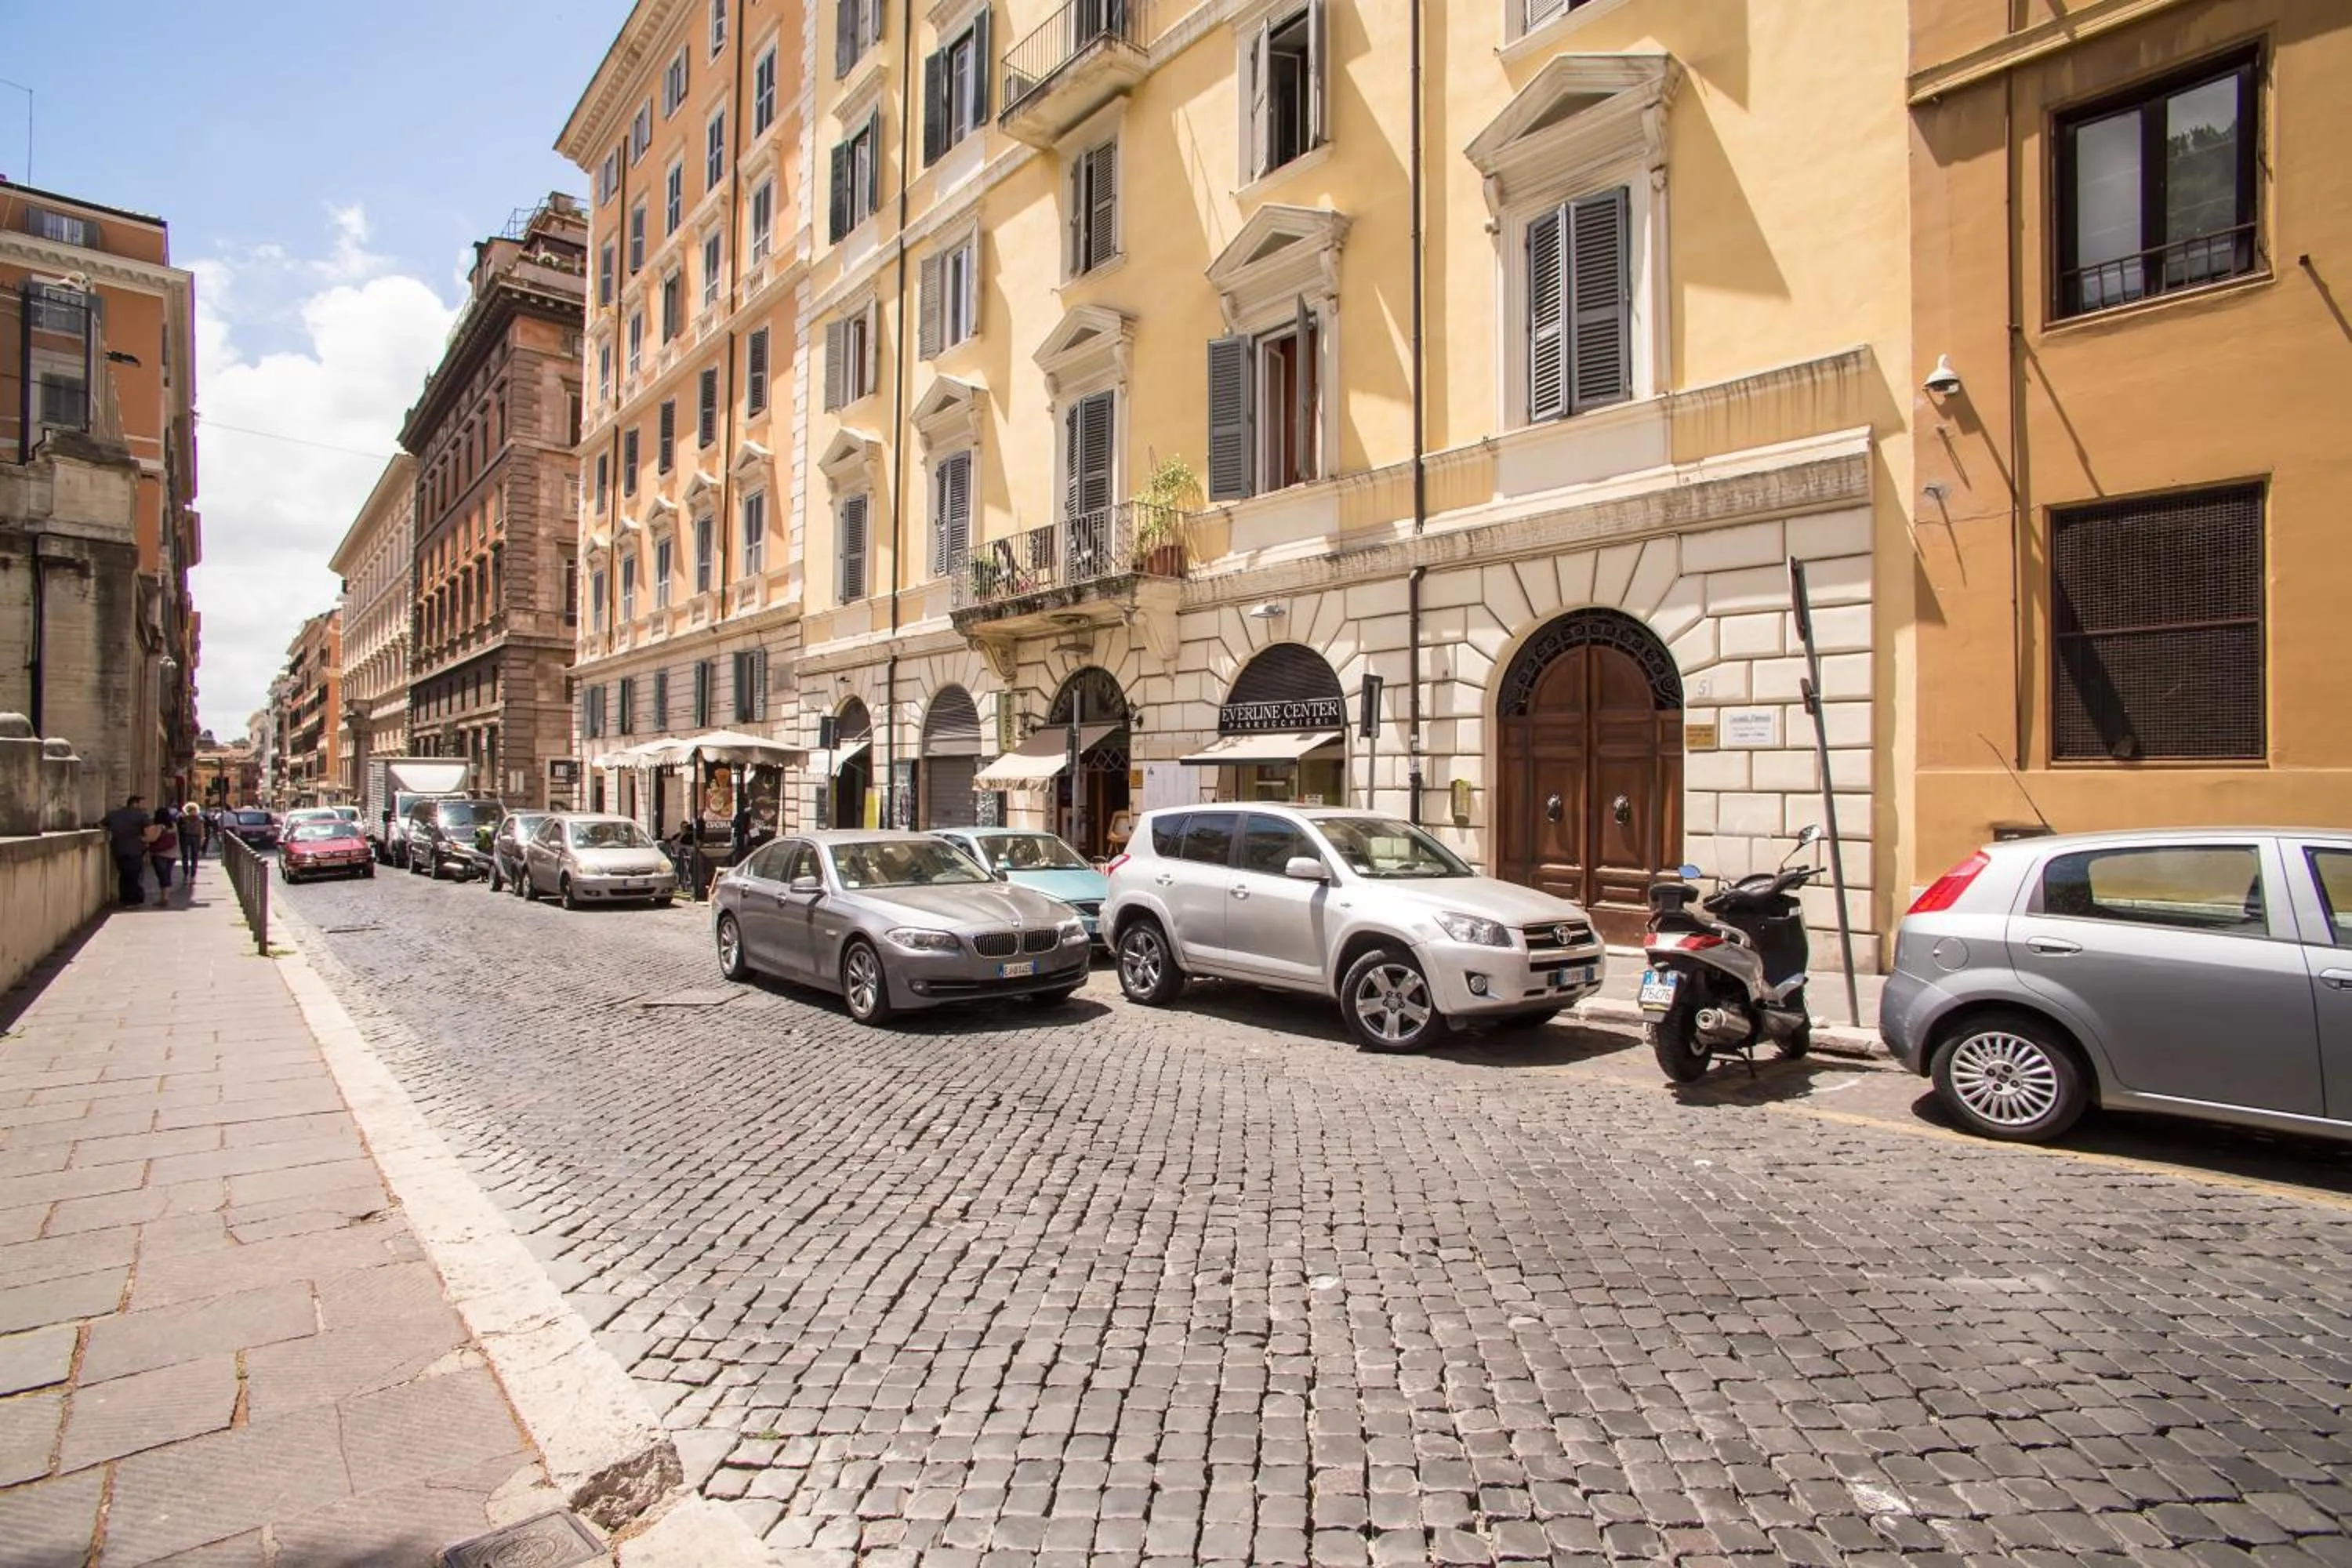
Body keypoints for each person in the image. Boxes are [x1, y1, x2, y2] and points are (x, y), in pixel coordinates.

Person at [103, 795, 151, 907]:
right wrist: (145, 841)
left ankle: (124, 898)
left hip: (118, 849)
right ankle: (132, 900)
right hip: (135, 849)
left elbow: (101, 824)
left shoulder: (114, 814)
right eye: (141, 804)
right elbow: (149, 831)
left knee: (123, 874)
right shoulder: (141, 816)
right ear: (135, 803)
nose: (144, 807)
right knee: (134, 875)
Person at [146, 806, 179, 895]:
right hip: (172, 854)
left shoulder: (158, 827)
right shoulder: (173, 825)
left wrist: (143, 839)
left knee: (162, 876)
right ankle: (165, 896)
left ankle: (165, 896)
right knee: (167, 874)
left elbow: (152, 839)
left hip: (159, 854)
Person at [176, 801, 203, 879]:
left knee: (185, 856)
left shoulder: (181, 818)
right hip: (194, 837)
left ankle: (187, 874)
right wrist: (202, 838)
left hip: (185, 837)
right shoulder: (199, 818)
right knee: (194, 856)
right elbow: (201, 829)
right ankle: (192, 875)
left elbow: (177, 829)